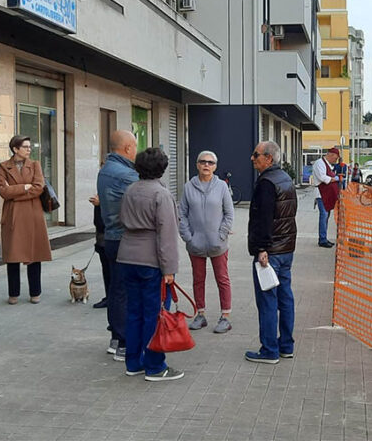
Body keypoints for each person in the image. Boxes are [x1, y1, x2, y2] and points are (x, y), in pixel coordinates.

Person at [117, 148, 184, 381]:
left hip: (127, 255)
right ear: (162, 169)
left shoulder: (130, 190)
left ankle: (133, 362)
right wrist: (170, 269)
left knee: (134, 312)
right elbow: (167, 234)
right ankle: (155, 366)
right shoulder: (161, 194)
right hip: (151, 260)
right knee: (154, 315)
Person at [245, 140, 297, 364]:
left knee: (268, 300)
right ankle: (286, 345)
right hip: (285, 249)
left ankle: (269, 350)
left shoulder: (266, 183)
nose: (252, 158)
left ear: (268, 158)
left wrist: (262, 248)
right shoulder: (285, 178)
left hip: (270, 251)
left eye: (255, 154)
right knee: (285, 297)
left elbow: (264, 218)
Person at [179, 151, 234, 334]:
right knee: (198, 279)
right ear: (197, 164)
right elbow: (182, 215)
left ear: (215, 166)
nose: (206, 165)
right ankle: (200, 314)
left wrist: (222, 234)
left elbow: (229, 213)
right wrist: (188, 237)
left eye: (210, 162)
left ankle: (225, 316)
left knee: (222, 279)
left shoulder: (221, 187)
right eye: (203, 162)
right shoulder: (188, 187)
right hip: (196, 244)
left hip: (218, 244)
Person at [97, 130, 139, 362]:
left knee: (115, 289)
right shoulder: (126, 174)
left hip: (111, 237)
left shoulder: (106, 169)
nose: (136, 151)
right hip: (124, 238)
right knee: (124, 291)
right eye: (135, 146)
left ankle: (116, 337)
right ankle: (123, 342)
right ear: (127, 148)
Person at [0, 135, 52, 305]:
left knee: (34, 254)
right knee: (13, 255)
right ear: (15, 149)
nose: (29, 149)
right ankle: (13, 293)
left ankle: (35, 292)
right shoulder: (4, 167)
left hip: (33, 214)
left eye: (29, 146)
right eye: (25, 147)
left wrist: (15, 193)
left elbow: (38, 188)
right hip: (13, 215)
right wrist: (23, 187)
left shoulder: (35, 165)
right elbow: (2, 191)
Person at [311, 147, 340, 248]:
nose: (335, 161)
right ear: (330, 155)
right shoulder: (319, 163)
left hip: (327, 195)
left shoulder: (327, 165)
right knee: (323, 215)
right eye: (335, 158)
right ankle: (322, 239)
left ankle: (324, 237)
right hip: (321, 194)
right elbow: (322, 178)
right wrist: (334, 179)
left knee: (326, 216)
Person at [89, 194, 110, 309]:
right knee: (106, 270)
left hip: (112, 238)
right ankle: (109, 297)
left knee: (113, 271)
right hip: (102, 239)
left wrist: (101, 204)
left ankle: (113, 298)